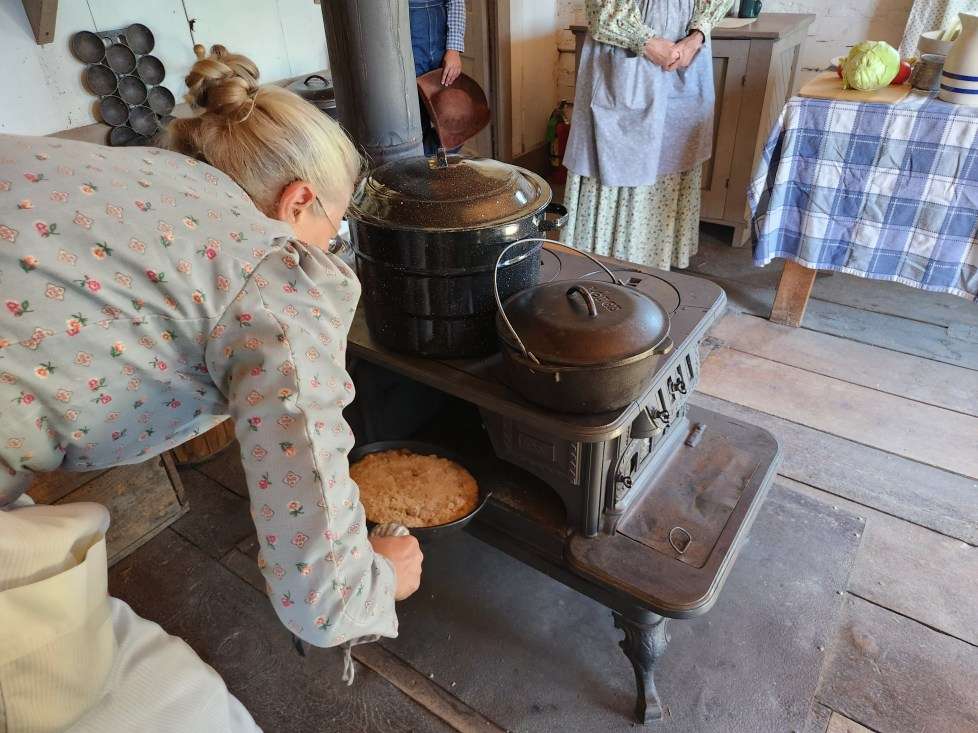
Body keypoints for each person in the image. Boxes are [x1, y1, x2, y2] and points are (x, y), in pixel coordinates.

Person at [0, 44, 422, 731]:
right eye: (334, 227)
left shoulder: (149, 169)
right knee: (188, 711)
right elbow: (323, 596)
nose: (330, 245)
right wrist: (382, 577)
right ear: (298, 201)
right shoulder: (274, 272)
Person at [562, 0, 733, 270]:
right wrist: (646, 41)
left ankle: (653, 269)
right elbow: (603, 10)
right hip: (626, 50)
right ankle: (606, 268)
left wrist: (697, 36)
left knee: (672, 156)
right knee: (618, 158)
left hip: (684, 53)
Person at [409, 0, 466, 153]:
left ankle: (438, 169)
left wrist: (453, 49)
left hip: (440, 52)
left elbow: (456, 1)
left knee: (454, 129)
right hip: (405, 50)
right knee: (415, 129)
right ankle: (427, 171)